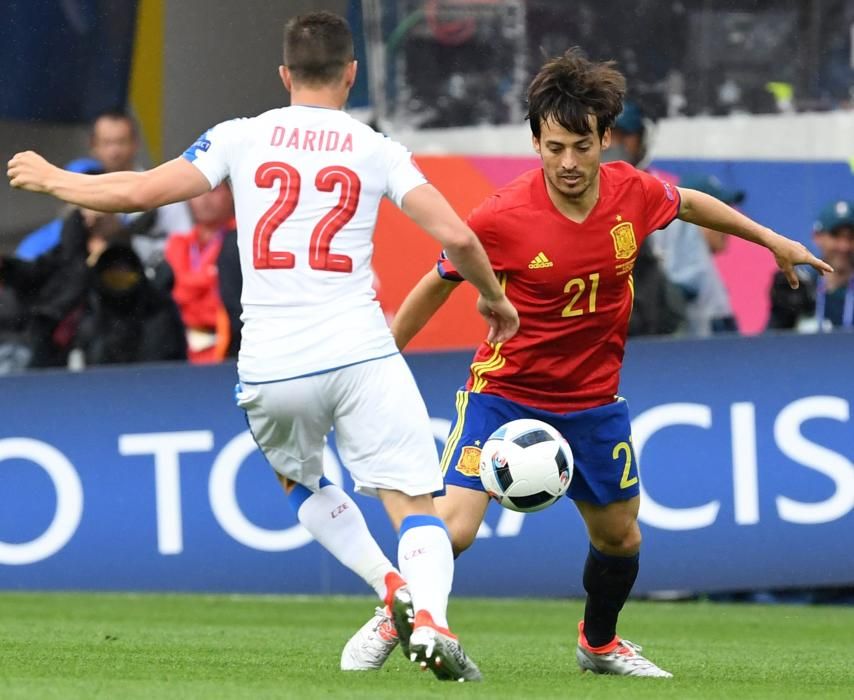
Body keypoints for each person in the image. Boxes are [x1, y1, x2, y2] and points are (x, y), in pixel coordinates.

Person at [6, 10, 519, 682]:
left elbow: (135, 193)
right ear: (351, 73)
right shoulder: (375, 146)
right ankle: (431, 619)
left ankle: (386, 586)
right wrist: (494, 298)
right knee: (413, 504)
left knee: (296, 479)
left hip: (273, 361)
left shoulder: (239, 138)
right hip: (361, 350)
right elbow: (455, 235)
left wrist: (53, 179)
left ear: (283, 75)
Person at [342, 47, 831, 679]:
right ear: (535, 143)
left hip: (593, 402)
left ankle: (598, 644)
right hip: (505, 393)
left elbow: (691, 203)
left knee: (620, 539)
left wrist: (772, 240)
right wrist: (384, 358)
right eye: (553, 148)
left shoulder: (632, 191)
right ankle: (399, 610)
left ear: (605, 136)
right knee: (454, 530)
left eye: (581, 145)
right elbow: (439, 280)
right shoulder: (501, 216)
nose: (568, 163)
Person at [651, 173, 741, 336]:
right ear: (692, 219)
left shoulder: (707, 278)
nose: (729, 225)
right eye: (720, 213)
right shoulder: (670, 287)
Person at [165, 182, 236, 363]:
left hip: (230, 347)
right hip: (180, 348)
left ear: (232, 194)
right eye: (197, 192)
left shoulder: (241, 240)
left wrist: (187, 287)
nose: (204, 199)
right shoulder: (177, 243)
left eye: (213, 191)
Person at [767, 199, 854, 332]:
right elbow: (768, 344)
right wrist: (782, 315)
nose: (844, 246)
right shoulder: (801, 287)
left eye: (851, 237)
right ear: (817, 237)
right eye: (835, 236)